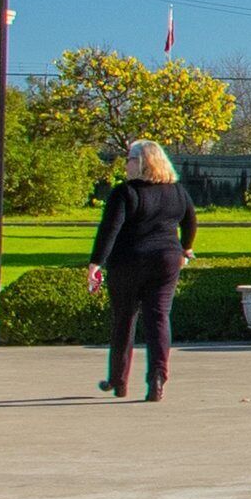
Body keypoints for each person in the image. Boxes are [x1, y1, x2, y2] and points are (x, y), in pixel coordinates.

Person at [86, 140, 198, 403]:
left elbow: (109, 230)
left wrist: (95, 263)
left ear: (140, 162)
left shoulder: (125, 193)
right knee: (159, 317)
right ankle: (158, 379)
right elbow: (190, 221)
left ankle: (118, 380)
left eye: (128, 159)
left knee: (125, 319)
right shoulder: (177, 191)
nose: (125, 164)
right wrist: (185, 249)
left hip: (128, 260)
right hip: (167, 260)